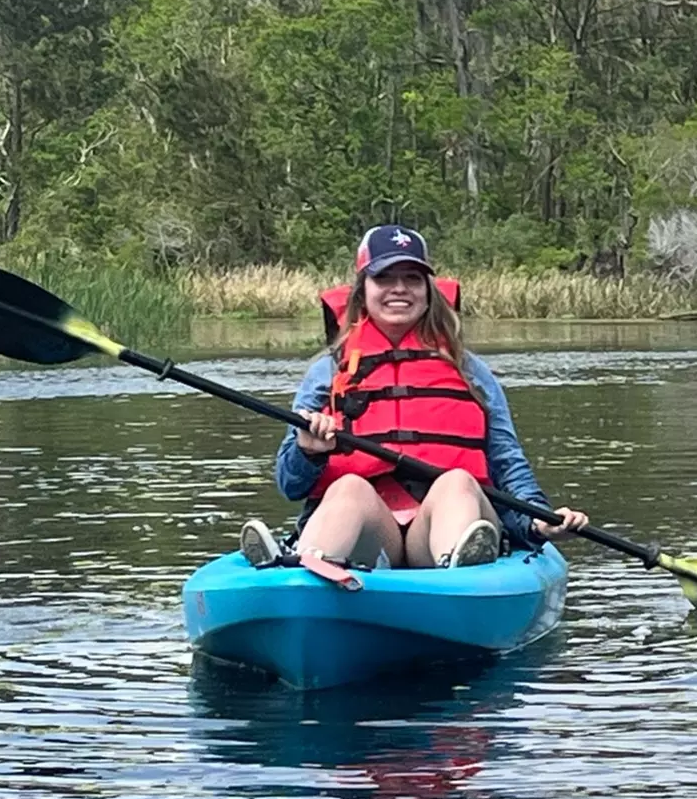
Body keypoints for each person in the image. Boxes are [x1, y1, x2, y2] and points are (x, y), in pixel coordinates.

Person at [238, 225, 586, 571]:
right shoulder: (327, 372)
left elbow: (507, 462)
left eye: (412, 278)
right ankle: (308, 566)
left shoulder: (471, 371)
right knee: (349, 487)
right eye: (385, 278)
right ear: (363, 290)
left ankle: (461, 573)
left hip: (440, 529)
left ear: (428, 290)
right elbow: (290, 484)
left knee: (457, 481)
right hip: (374, 537)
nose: (399, 289)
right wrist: (307, 453)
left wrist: (537, 520)